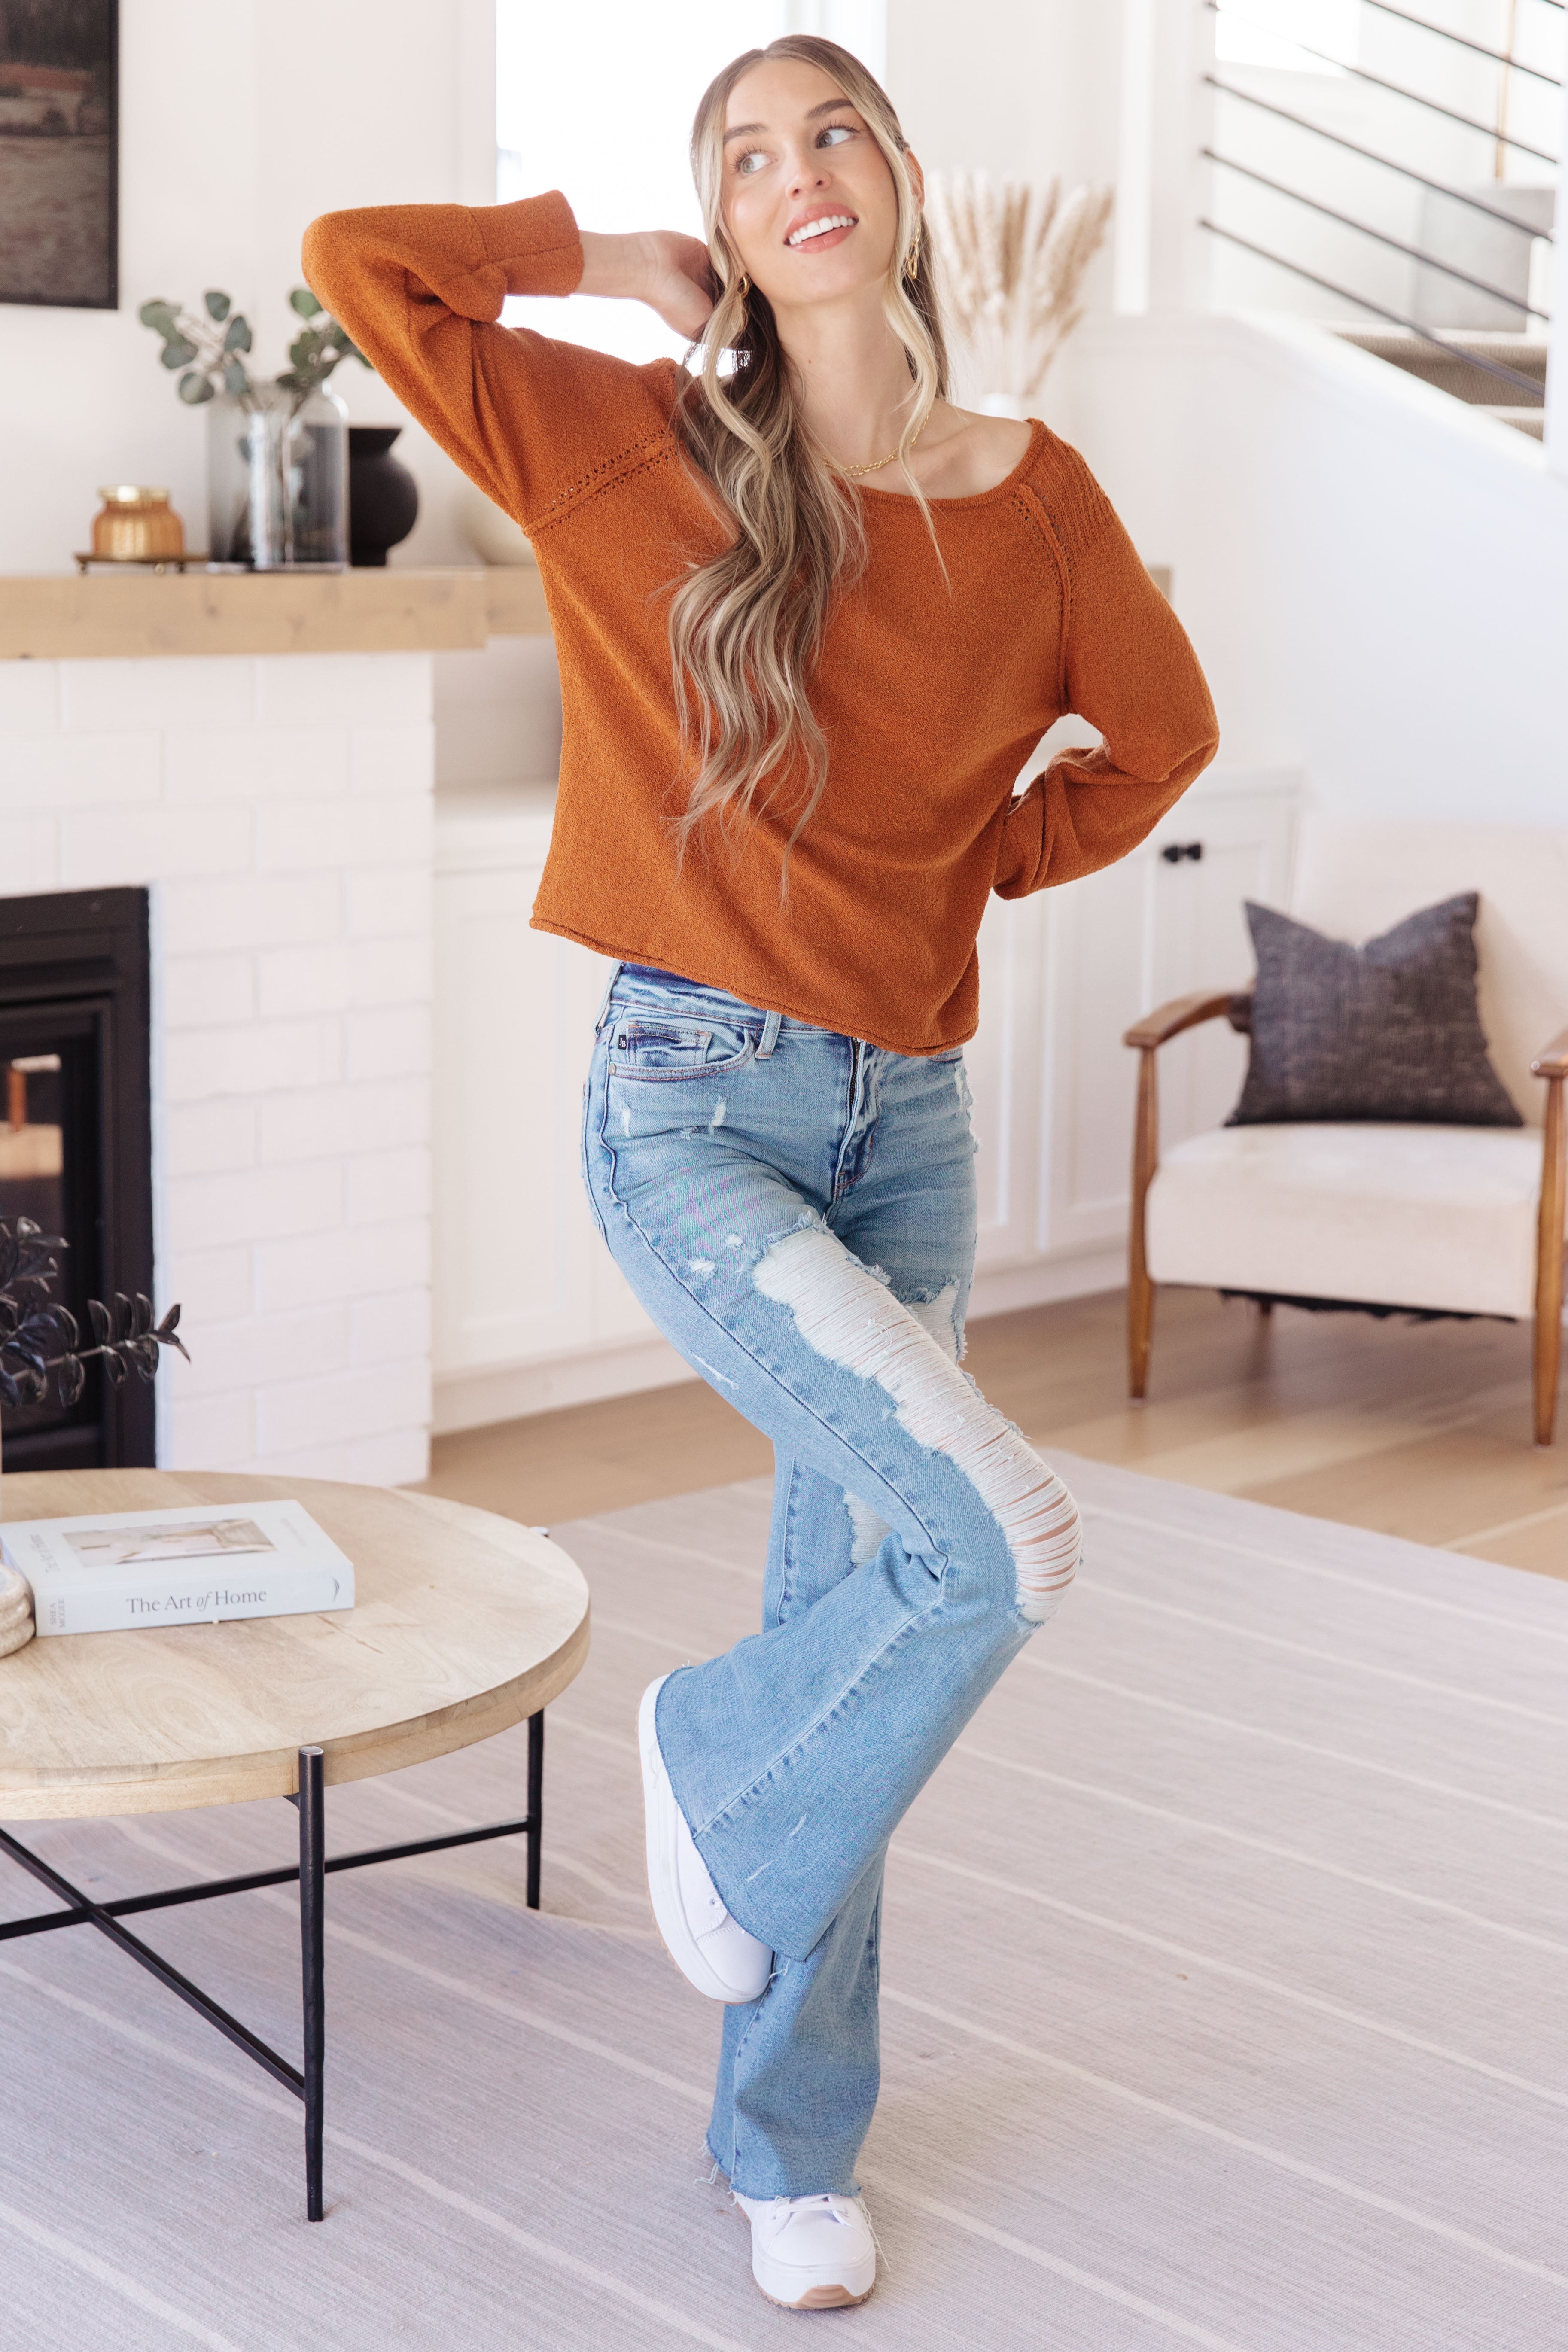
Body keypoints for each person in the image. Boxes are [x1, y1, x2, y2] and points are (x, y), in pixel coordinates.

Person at [304, 33, 1217, 2314]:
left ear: (899, 179)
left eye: (831, 133)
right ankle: (707, 1754)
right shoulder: (626, 438)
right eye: (743, 149)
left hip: (899, 1117)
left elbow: (1163, 734)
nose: (794, 172)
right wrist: (603, 255)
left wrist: (981, 858)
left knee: (871, 1615)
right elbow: (357, 267)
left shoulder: (1034, 497)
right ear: (715, 205)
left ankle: (785, 2137)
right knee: (996, 1538)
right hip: (690, 1102)